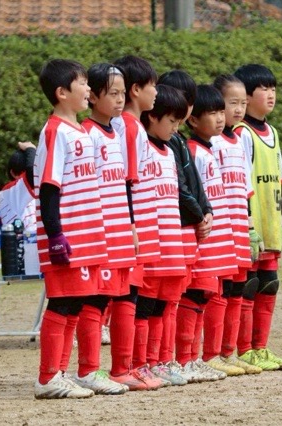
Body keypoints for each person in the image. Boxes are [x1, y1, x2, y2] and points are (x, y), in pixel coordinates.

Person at [32, 59, 113, 399]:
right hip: (68, 237)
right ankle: (48, 377)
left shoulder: (81, 131)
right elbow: (49, 188)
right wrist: (55, 235)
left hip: (88, 236)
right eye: (82, 84)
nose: (88, 89)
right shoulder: (55, 131)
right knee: (62, 303)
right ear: (62, 93)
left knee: (77, 304)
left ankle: (62, 373)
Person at [75, 63, 136, 395]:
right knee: (95, 300)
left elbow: (124, 184)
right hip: (100, 233)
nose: (119, 99)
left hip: (120, 231)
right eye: (113, 93)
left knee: (118, 295)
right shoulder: (87, 134)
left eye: (123, 93)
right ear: (93, 96)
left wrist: (130, 224)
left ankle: (117, 369)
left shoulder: (117, 132)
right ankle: (88, 370)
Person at [175, 84, 241, 381]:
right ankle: (185, 358)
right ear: (192, 119)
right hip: (202, 239)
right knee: (196, 295)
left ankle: (197, 358)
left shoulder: (209, 149)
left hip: (217, 236)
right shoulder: (193, 150)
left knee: (206, 295)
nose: (220, 118)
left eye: (220, 112)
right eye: (212, 113)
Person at [233, 64, 282, 371]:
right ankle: (244, 350)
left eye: (273, 88)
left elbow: (277, 184)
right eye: (263, 89)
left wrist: (278, 225)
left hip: (270, 228)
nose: (270, 95)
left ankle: (261, 347)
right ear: (245, 95)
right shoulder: (241, 134)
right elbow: (241, 184)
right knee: (249, 285)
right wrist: (248, 225)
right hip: (250, 229)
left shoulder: (273, 133)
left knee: (269, 285)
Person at [154, 69, 212, 384]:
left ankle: (179, 360)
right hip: (175, 229)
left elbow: (195, 184)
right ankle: (166, 360)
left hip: (189, 227)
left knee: (178, 298)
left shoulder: (176, 138)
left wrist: (206, 210)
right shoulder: (168, 141)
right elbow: (181, 188)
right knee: (167, 300)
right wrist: (199, 214)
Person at [110, 55, 164, 391]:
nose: (156, 92)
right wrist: (131, 226)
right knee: (127, 298)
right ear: (135, 90)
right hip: (133, 227)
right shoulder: (129, 128)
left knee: (133, 298)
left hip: (140, 225)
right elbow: (128, 182)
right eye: (152, 86)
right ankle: (122, 368)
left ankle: (133, 366)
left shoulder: (134, 127)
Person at [203, 74, 262, 375]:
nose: (238, 109)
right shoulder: (211, 143)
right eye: (231, 103)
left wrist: (250, 227)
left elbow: (246, 190)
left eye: (242, 104)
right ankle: (211, 353)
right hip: (220, 230)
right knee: (220, 291)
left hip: (239, 228)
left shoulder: (239, 140)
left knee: (238, 289)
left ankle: (229, 352)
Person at [137, 84, 191, 387]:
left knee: (161, 306)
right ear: (153, 117)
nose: (176, 128)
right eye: (172, 121)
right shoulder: (141, 147)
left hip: (171, 243)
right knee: (143, 307)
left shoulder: (169, 151)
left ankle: (155, 362)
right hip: (150, 244)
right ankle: (138, 363)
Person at [0, 141, 37, 233]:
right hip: (25, 239)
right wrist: (31, 149)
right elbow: (32, 175)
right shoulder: (10, 190)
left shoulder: (16, 191)